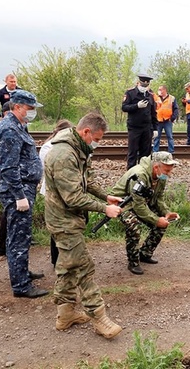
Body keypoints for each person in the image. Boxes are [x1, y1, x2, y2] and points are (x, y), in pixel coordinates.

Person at [43, 112, 123, 338]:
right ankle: (99, 318)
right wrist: (104, 209)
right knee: (83, 267)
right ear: (86, 131)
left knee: (68, 266)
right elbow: (73, 197)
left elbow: (87, 180)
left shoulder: (79, 147)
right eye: (96, 138)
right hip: (63, 221)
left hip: (70, 218)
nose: (97, 143)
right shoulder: (63, 154)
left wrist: (105, 196)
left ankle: (65, 314)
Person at [0, 90, 48, 298]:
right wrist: (19, 195)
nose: (32, 112)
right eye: (30, 108)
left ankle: (21, 272)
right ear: (17, 107)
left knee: (21, 236)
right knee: (18, 238)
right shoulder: (9, 130)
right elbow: (8, 167)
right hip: (18, 191)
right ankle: (21, 285)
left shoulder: (18, 126)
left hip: (24, 188)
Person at [110, 151, 180, 275]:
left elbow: (158, 197)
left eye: (170, 171)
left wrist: (166, 212)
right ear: (156, 167)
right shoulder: (140, 174)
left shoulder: (160, 176)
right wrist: (156, 220)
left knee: (163, 223)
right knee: (134, 225)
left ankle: (145, 254)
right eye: (167, 171)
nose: (169, 174)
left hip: (140, 202)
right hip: (122, 204)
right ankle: (133, 261)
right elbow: (138, 206)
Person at [38, 119, 73, 267]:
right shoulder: (48, 147)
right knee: (57, 228)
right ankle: (56, 260)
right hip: (53, 192)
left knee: (68, 226)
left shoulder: (68, 147)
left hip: (68, 190)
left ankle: (67, 257)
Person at [122, 74, 158, 170]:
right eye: (143, 84)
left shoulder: (150, 95)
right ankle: (131, 173)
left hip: (147, 128)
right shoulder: (130, 93)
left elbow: (153, 112)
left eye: (147, 84)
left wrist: (155, 128)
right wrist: (136, 106)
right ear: (139, 82)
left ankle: (143, 173)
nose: (144, 86)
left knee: (145, 154)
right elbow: (124, 107)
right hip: (134, 127)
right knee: (132, 152)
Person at [0, 101, 12, 257]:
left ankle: (5, 245)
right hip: (10, 179)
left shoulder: (10, 127)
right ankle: (3, 246)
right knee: (9, 212)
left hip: (11, 178)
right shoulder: (5, 129)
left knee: (9, 213)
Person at [152, 85, 179, 154]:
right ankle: (155, 151)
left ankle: (171, 151)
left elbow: (176, 109)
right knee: (156, 137)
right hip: (158, 120)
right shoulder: (157, 98)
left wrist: (172, 118)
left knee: (169, 137)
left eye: (160, 89)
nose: (159, 91)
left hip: (168, 120)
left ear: (164, 90)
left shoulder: (172, 98)